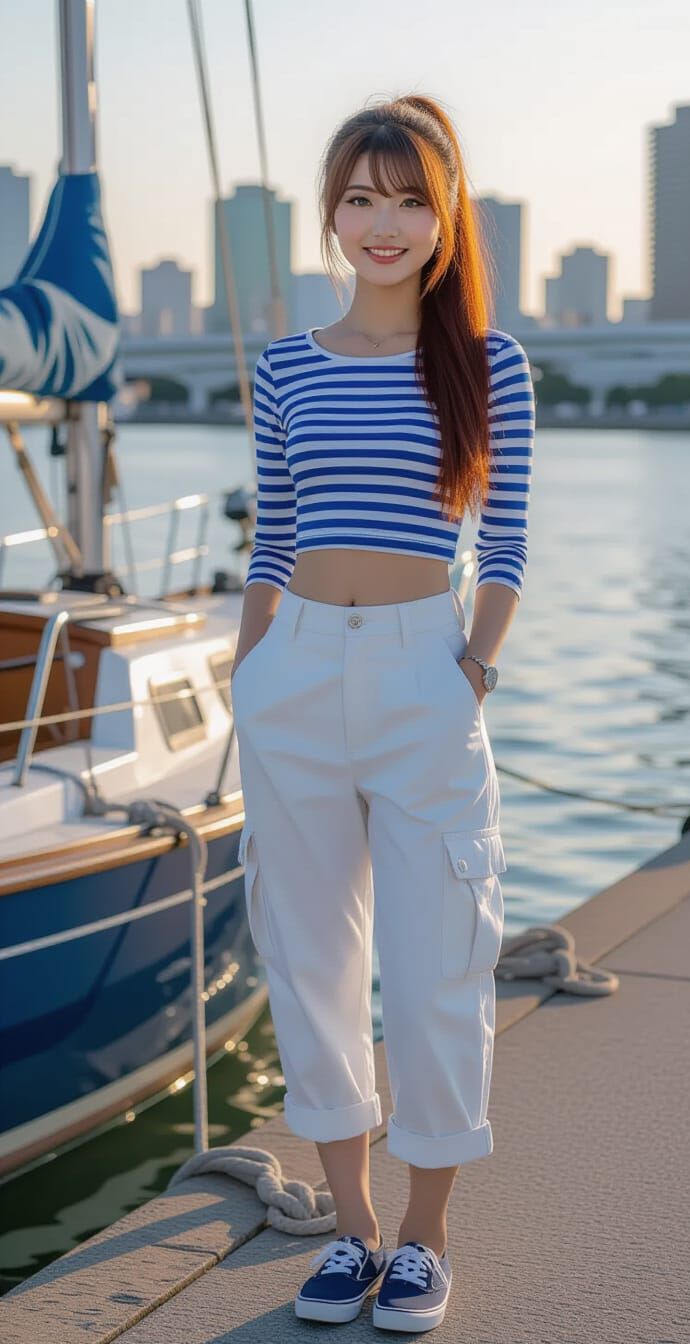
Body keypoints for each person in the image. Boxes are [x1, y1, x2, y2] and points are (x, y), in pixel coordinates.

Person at [231, 92, 535, 1334]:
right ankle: (350, 1231)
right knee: (311, 970)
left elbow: (505, 544)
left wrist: (469, 668)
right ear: (331, 218)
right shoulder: (284, 367)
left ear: (445, 212)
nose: (384, 222)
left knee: (433, 975)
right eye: (361, 198)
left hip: (425, 674)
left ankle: (426, 1237)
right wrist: (251, 678)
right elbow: (274, 535)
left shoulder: (487, 365)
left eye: (409, 197)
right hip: (292, 674)